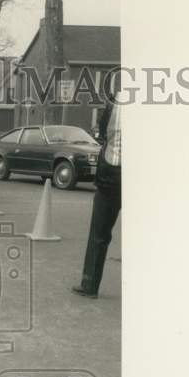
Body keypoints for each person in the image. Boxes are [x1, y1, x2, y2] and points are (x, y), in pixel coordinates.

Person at [72, 93, 121, 298]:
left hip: (111, 173)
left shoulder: (114, 103)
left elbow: (103, 134)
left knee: (99, 232)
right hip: (112, 174)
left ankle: (90, 284)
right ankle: (89, 284)